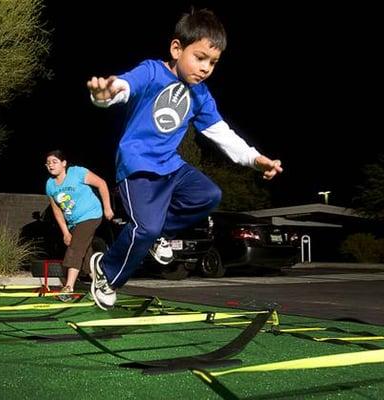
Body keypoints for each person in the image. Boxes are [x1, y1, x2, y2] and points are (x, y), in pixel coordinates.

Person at [86, 8, 283, 310]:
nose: (205, 68)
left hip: (171, 166)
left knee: (208, 195)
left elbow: (222, 134)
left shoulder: (200, 95)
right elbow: (124, 87)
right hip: (137, 166)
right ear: (177, 49)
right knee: (145, 228)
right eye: (200, 57)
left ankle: (158, 235)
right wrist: (106, 96)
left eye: (213, 63)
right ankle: (106, 273)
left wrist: (257, 159)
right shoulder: (152, 72)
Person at [44, 150, 114, 301]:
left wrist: (107, 207)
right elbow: (57, 211)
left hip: (91, 215)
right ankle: (102, 284)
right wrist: (65, 232)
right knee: (86, 254)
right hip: (73, 222)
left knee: (75, 249)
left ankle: (68, 288)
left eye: (54, 161)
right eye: (48, 163)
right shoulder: (50, 185)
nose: (51, 165)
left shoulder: (77, 172)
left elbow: (101, 184)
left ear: (64, 163)